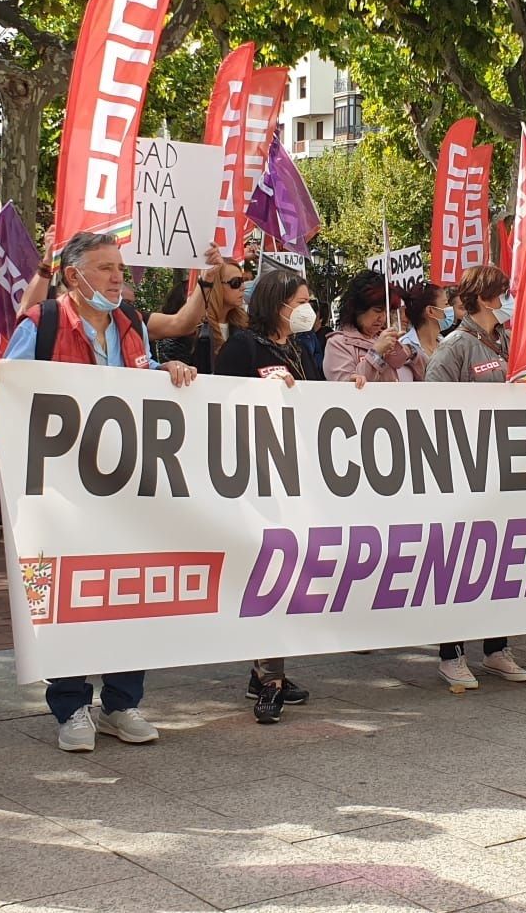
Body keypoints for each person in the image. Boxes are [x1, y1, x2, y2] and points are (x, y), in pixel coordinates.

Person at [0, 232, 198, 752]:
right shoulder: (41, 324)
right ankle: (72, 706)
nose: (119, 277)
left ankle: (123, 702)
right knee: (69, 594)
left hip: (130, 492)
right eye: (105, 268)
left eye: (120, 267)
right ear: (73, 276)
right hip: (64, 496)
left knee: (132, 592)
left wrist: (172, 373)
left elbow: (144, 395)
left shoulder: (133, 325)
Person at [214, 269, 331, 722]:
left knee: (287, 570)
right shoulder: (244, 346)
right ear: (276, 302)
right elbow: (217, 402)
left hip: (295, 476)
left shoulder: (300, 349)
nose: (308, 308)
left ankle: (263, 669)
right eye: (300, 300)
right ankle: (271, 681)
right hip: (256, 477)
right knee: (270, 569)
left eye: (309, 300)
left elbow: (320, 403)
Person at [422, 265, 526, 688]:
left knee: (502, 559)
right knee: (461, 561)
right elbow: (434, 407)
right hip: (466, 469)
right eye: (501, 292)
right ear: (485, 298)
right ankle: (451, 653)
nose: (505, 299)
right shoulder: (455, 345)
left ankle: (495, 648)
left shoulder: (506, 341)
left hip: (505, 467)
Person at [325, 270, 424, 383]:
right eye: (377, 310)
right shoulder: (337, 344)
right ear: (357, 309)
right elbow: (348, 387)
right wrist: (376, 353)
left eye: (386, 312)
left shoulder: (384, 339)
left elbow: (425, 373)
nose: (382, 318)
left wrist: (409, 352)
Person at [156, 256, 248, 372]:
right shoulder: (189, 331)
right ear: (216, 286)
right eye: (236, 282)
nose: (243, 288)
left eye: (243, 281)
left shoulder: (247, 327)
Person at [398, 280, 451, 365]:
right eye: (446, 304)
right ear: (430, 311)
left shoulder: (446, 343)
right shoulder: (405, 349)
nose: (450, 308)